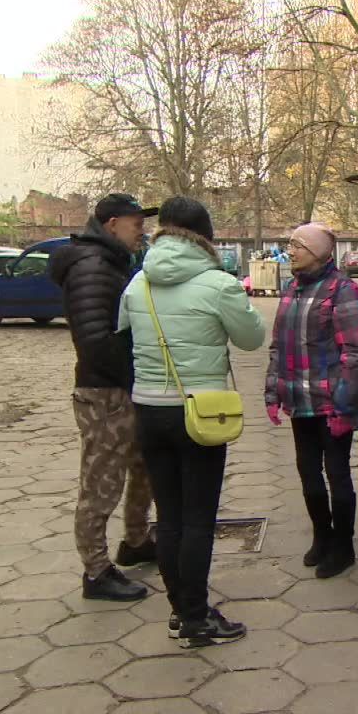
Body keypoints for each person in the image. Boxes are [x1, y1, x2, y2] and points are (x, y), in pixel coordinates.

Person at [118, 197, 265, 648]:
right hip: (199, 411)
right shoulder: (218, 282)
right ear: (205, 237)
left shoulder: (137, 283)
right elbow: (252, 338)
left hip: (148, 410)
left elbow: (124, 332)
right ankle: (198, 618)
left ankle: (181, 612)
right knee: (199, 518)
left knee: (170, 516)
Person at [49, 193, 158, 602]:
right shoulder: (92, 267)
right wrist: (133, 372)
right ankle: (96, 571)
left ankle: (136, 540)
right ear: (112, 224)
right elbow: (95, 341)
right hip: (104, 391)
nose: (141, 231)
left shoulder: (109, 262)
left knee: (142, 466)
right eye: (135, 224)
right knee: (101, 482)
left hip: (121, 388)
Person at [265, 223, 358, 579]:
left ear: (318, 252)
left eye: (297, 245)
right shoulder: (291, 289)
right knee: (308, 473)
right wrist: (272, 392)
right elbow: (278, 346)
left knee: (337, 474)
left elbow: (357, 354)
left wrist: (345, 406)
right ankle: (321, 536)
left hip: (332, 404)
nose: (291, 251)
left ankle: (344, 546)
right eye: (291, 245)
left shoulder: (344, 290)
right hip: (299, 401)